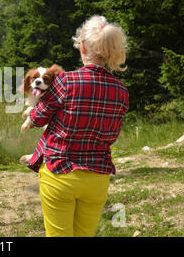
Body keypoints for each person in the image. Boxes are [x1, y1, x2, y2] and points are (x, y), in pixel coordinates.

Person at [27, 15, 129, 237]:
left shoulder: (66, 81)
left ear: (82, 48)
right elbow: (113, 134)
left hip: (59, 172)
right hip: (97, 177)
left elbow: (37, 119)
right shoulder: (121, 91)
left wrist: (33, 112)